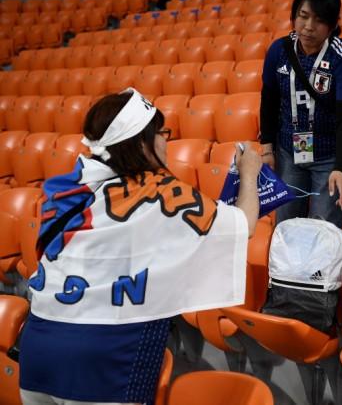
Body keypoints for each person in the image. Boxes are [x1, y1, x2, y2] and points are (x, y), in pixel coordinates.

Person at [18, 88, 262, 405]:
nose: (166, 141)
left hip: (38, 346)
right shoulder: (158, 191)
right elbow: (244, 226)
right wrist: (249, 173)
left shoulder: (70, 186)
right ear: (142, 144)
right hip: (103, 358)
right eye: (161, 133)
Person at [259, 0, 342, 229]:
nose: (308, 27)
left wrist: (340, 168)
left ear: (333, 24)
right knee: (286, 225)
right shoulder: (279, 50)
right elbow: (269, 100)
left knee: (322, 229)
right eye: (303, 16)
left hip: (330, 156)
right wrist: (267, 149)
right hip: (289, 153)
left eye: (318, 20)